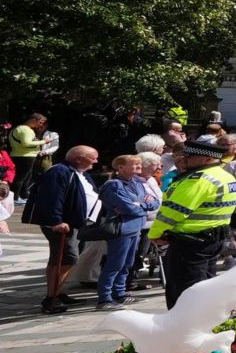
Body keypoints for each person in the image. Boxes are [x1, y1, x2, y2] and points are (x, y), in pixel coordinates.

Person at [149, 136, 236, 307]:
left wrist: (155, 234)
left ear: (207, 158)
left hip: (190, 242)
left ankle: (183, 327)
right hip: (213, 239)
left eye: (190, 157)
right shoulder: (224, 176)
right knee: (206, 284)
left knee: (185, 290)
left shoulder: (199, 180)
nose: (184, 159)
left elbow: (173, 212)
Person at [28, 144, 99, 314]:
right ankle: (51, 299)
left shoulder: (79, 172)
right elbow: (52, 198)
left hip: (75, 223)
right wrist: (56, 221)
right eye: (93, 157)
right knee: (65, 258)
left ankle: (57, 293)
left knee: (67, 258)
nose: (96, 161)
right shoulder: (59, 171)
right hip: (61, 226)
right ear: (79, 158)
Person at [94, 155, 152, 308]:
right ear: (120, 167)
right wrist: (142, 206)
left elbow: (154, 202)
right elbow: (128, 207)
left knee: (128, 263)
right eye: (135, 164)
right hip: (122, 229)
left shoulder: (137, 182)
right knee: (115, 263)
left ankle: (120, 292)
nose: (140, 166)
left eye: (140, 163)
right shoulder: (113, 185)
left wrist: (140, 206)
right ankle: (105, 298)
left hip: (136, 227)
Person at [8, 113, 55, 200]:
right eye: (40, 122)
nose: (41, 125)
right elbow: (26, 143)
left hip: (19, 155)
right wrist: (44, 141)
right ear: (33, 120)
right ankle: (14, 198)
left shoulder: (18, 128)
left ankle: (24, 195)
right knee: (21, 177)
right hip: (25, 156)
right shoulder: (25, 129)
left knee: (26, 177)